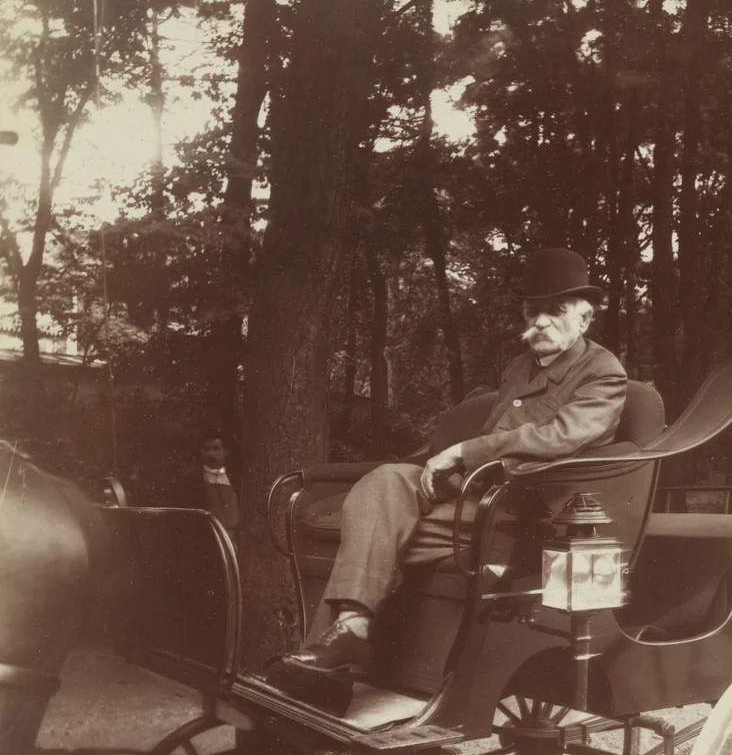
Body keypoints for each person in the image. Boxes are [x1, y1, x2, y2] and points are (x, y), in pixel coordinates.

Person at [273, 247, 627, 698]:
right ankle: (350, 631)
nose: (540, 321)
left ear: (584, 318)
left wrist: (465, 451)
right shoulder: (519, 367)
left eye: (555, 311)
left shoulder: (603, 371)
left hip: (522, 505)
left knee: (380, 532)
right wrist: (448, 466)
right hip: (471, 492)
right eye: (532, 310)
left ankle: (330, 661)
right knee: (385, 481)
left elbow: (561, 436)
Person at [193, 430, 240, 540]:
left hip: (236, 541)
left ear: (226, 452)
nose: (210, 454)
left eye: (215, 449)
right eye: (206, 449)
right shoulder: (193, 481)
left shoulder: (238, 480)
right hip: (205, 540)